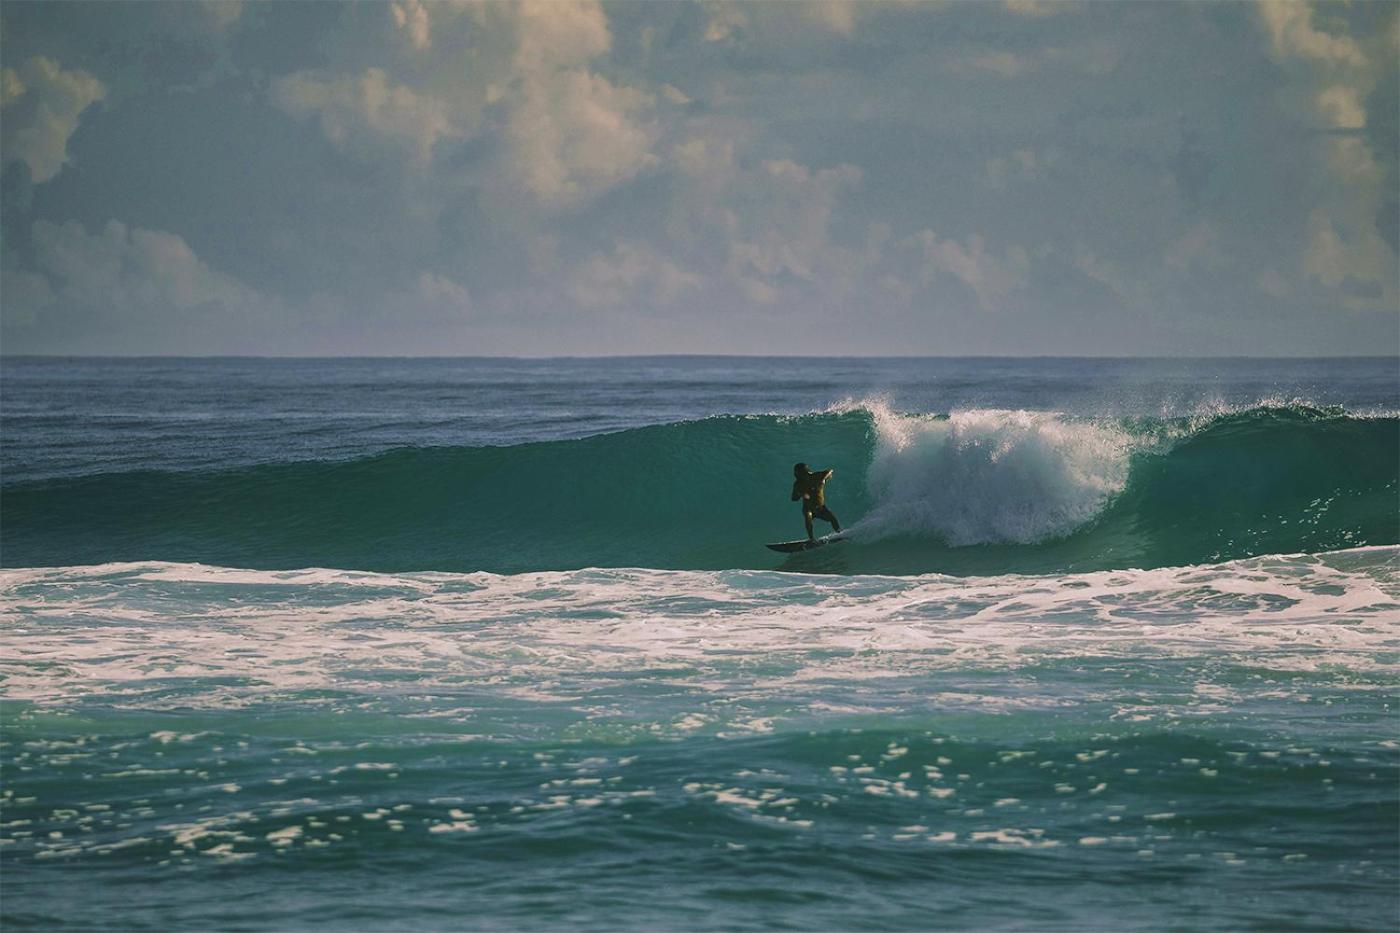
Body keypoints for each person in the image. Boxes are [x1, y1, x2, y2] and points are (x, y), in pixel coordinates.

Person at [791, 462, 841, 541]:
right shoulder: (798, 484)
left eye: (799, 473)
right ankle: (811, 539)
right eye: (796, 473)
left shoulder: (817, 476)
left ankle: (840, 534)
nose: (797, 475)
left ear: (805, 472)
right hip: (808, 508)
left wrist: (824, 478)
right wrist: (800, 494)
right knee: (808, 516)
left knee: (832, 517)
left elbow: (830, 471)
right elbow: (793, 499)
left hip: (820, 508)